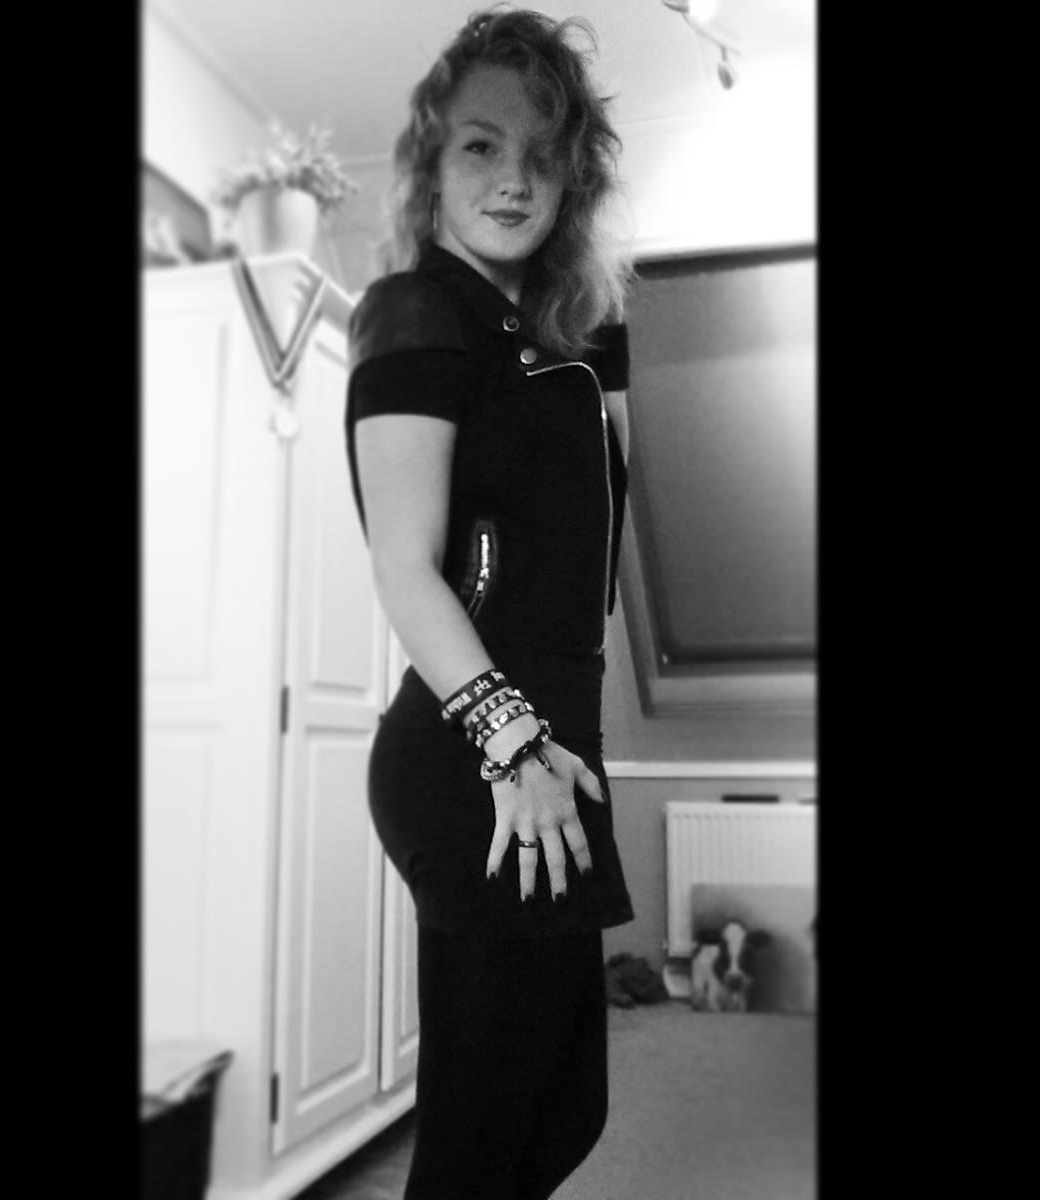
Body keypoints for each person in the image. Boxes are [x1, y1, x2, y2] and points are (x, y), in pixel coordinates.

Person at [343, 8, 635, 1198]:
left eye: (544, 153)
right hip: (482, 756)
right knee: (480, 1145)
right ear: (431, 160)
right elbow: (404, 564)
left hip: (555, 751)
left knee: (563, 1112)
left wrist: (596, 335)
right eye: (480, 144)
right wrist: (511, 742)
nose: (515, 177)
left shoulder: (557, 344)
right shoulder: (417, 312)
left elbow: (594, 530)